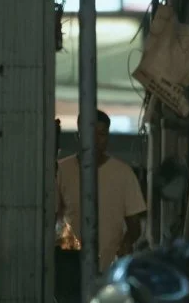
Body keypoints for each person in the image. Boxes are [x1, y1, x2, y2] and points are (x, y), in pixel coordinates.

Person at [57, 110, 147, 273]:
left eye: (101, 134)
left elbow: (134, 226)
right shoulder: (61, 171)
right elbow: (52, 218)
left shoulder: (123, 174)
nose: (95, 140)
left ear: (107, 138)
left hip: (109, 269)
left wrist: (125, 244)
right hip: (69, 267)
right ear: (78, 136)